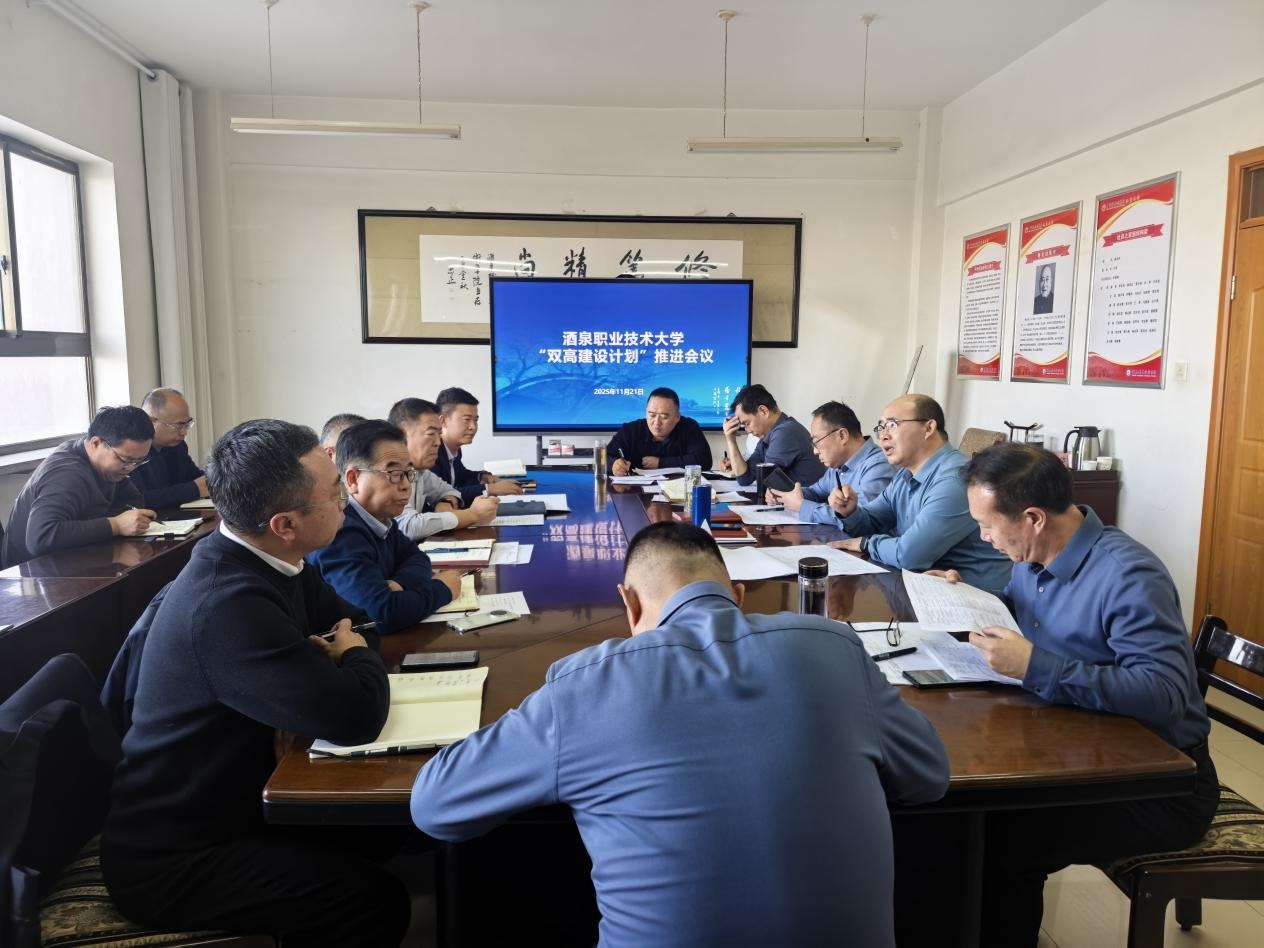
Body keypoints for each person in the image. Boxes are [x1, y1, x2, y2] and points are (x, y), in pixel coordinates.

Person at [411, 521, 950, 946]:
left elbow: (435, 805)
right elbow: (929, 776)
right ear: (737, 594)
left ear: (629, 602)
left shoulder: (585, 685)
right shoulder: (835, 647)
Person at [101, 419, 409, 947]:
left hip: (240, 798)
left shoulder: (276, 561)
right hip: (177, 854)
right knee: (373, 902)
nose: (344, 501)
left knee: (393, 830)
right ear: (285, 523)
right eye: (334, 494)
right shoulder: (228, 603)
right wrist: (351, 654)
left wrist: (345, 650)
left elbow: (363, 621)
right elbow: (357, 715)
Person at [951, 443, 1218, 946]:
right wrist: (964, 599)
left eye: (987, 526)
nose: (983, 537)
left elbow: (1164, 693)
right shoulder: (1032, 556)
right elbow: (1026, 613)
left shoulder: (1128, 575)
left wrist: (1036, 666)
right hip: (1082, 747)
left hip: (1160, 785)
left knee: (1003, 837)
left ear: (1033, 518)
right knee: (968, 819)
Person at [828, 394, 1011, 595]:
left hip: (976, 598)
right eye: (881, 427)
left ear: (928, 428)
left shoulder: (955, 480)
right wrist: (849, 511)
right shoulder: (905, 475)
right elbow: (871, 521)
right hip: (931, 588)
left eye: (892, 425)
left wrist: (866, 543)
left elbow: (909, 555)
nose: (883, 436)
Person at [308, 420, 461, 634]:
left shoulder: (380, 517)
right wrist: (443, 589)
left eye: (409, 473)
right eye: (394, 474)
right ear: (353, 479)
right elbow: (379, 614)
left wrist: (399, 583)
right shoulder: (340, 531)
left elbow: (419, 560)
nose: (406, 485)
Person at [1, 406, 156, 568]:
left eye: (139, 461)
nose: (131, 468)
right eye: (125, 460)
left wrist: (113, 522)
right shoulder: (67, 474)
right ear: (96, 443)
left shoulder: (108, 467)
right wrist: (115, 525)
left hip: (72, 560)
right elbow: (40, 537)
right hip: (31, 572)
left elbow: (133, 499)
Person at [388, 397, 499, 538]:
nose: (438, 442)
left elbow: (450, 490)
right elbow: (408, 527)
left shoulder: (419, 471)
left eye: (439, 434)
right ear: (400, 435)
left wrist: (446, 501)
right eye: (430, 434)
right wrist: (472, 515)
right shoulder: (389, 474)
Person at [768, 400, 893, 525]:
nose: (815, 451)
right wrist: (786, 495)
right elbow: (816, 492)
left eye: (817, 442)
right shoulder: (838, 465)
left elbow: (857, 516)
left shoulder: (879, 465)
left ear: (842, 435)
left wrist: (802, 506)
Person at [720, 384, 825, 487]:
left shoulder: (785, 432)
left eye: (747, 423)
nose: (747, 430)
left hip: (809, 498)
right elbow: (745, 479)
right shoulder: (769, 436)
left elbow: (766, 482)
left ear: (763, 411)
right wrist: (731, 440)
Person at [432, 387, 523, 504]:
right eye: (466, 419)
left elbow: (461, 476)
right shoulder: (432, 453)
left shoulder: (453, 449)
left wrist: (482, 476)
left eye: (475, 420)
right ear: (443, 421)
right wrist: (490, 489)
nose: (473, 427)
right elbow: (443, 494)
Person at [130, 387, 207, 509]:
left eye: (187, 424)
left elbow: (195, 478)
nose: (184, 432)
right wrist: (194, 489)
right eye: (179, 425)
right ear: (151, 421)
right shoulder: (131, 450)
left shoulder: (178, 446)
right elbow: (137, 499)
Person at [607, 387, 712, 475]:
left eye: (664, 417)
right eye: (652, 415)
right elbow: (604, 458)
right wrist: (614, 464)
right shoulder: (630, 430)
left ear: (677, 417)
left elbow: (704, 460)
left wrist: (661, 463)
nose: (656, 422)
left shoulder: (688, 427)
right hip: (635, 490)